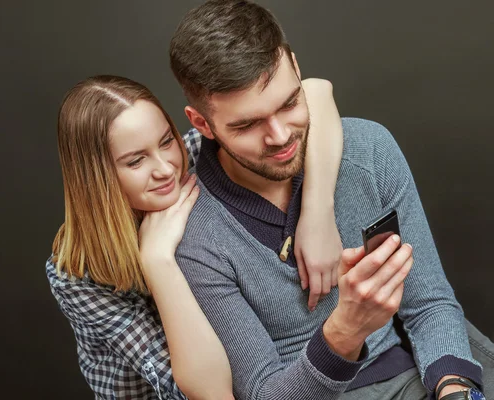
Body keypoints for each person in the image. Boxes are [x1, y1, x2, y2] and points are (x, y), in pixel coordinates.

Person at [170, 1, 494, 399]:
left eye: (289, 103)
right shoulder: (195, 234)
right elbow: (262, 392)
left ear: (296, 67)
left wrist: (454, 390)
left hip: (419, 372)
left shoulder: (368, 152)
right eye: (248, 124)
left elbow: (429, 304)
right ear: (202, 123)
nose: (280, 136)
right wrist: (346, 330)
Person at [46, 74, 346, 398]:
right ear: (96, 178)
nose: (166, 168)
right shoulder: (78, 274)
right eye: (135, 160)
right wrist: (157, 261)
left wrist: (318, 214)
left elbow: (316, 91)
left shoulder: (192, 156)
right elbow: (208, 393)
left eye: (165, 141)